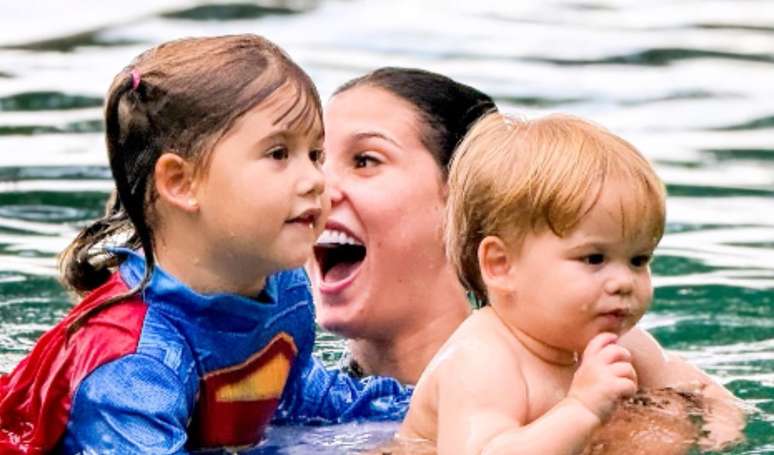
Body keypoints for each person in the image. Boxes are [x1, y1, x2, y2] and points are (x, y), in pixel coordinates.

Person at [0, 35, 409, 454]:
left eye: (315, 154)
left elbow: (299, 401)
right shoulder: (133, 368)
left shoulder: (282, 287)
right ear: (181, 182)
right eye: (278, 153)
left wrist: (430, 406)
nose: (316, 180)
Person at [397, 112, 744, 454]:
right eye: (594, 259)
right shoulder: (481, 359)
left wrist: (717, 434)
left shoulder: (627, 346)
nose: (624, 282)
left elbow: (707, 395)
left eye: (638, 260)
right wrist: (583, 408)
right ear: (501, 265)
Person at [311, 67, 494, 385]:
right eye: (315, 159)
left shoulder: (564, 410)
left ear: (465, 200)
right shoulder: (278, 392)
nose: (317, 188)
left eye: (365, 161)